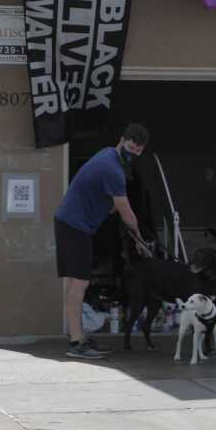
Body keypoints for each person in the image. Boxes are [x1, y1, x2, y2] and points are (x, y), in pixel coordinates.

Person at [55, 123, 150, 359]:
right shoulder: (113, 170)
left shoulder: (108, 154)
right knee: (79, 284)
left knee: (76, 283)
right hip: (75, 227)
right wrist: (140, 240)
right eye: (130, 148)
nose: (132, 154)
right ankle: (77, 342)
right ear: (122, 140)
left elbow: (105, 200)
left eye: (137, 152)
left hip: (72, 224)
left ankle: (79, 336)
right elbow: (126, 213)